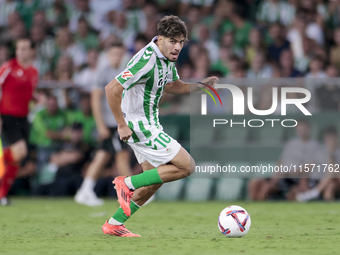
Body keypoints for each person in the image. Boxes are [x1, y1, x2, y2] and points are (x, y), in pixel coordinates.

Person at [102, 15, 218, 237]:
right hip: (140, 125)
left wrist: (201, 86)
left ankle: (115, 224)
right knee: (187, 166)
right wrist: (121, 125)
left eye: (181, 42)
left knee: (154, 181)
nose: (178, 47)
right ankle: (126, 183)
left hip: (149, 122)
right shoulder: (146, 59)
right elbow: (111, 89)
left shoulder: (166, 58)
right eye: (173, 41)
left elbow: (173, 85)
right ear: (161, 39)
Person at [75, 42, 133, 207]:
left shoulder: (123, 71)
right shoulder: (103, 73)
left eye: (120, 54)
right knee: (122, 156)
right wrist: (100, 125)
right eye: (114, 54)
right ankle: (132, 192)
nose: (117, 57)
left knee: (103, 156)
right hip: (110, 123)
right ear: (108, 55)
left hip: (118, 121)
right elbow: (95, 100)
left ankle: (85, 191)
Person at [0, 38, 38, 205]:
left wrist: (38, 98)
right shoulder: (9, 67)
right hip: (7, 116)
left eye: (24, 49)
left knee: (16, 160)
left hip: (23, 118)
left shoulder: (33, 71)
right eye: (18, 49)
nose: (21, 52)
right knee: (20, 152)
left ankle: (2, 195)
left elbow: (28, 93)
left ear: (31, 51)